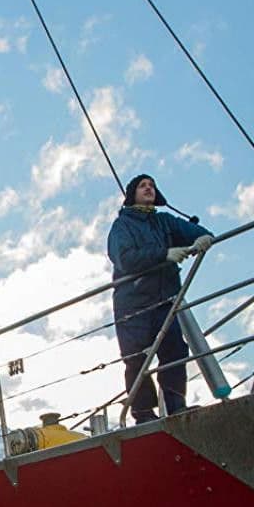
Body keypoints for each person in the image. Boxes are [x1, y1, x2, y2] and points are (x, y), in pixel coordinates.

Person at [106, 174, 213, 424]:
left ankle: (176, 406)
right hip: (133, 303)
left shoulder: (164, 221)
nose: (148, 188)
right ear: (132, 193)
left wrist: (202, 237)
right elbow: (125, 258)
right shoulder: (122, 226)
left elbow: (194, 232)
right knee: (136, 357)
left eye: (152, 185)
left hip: (165, 299)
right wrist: (164, 254)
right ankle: (143, 414)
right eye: (143, 185)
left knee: (175, 349)